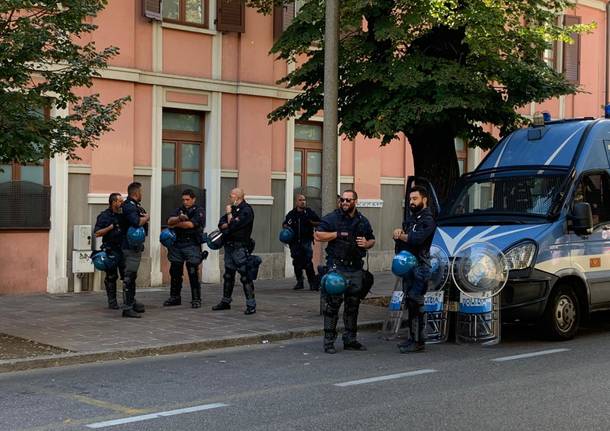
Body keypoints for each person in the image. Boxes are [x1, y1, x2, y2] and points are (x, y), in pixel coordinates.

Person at [315, 190, 375, 354]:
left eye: (348, 200)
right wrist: (336, 234)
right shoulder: (332, 218)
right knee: (333, 304)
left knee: (353, 305)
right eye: (342, 199)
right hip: (338, 266)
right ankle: (329, 342)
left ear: (356, 201)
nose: (345, 202)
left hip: (355, 267)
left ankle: (350, 339)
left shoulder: (362, 220)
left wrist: (366, 243)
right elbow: (318, 235)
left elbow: (372, 239)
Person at [393, 185, 437, 353]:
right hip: (408, 266)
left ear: (424, 199)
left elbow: (417, 239)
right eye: (410, 199)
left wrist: (401, 235)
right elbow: (403, 241)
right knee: (410, 303)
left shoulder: (428, 220)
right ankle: (412, 338)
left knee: (416, 301)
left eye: (415, 199)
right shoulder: (411, 219)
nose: (411, 202)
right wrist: (398, 234)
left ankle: (419, 341)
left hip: (420, 266)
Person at [212, 188, 257, 315]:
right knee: (228, 275)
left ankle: (251, 304)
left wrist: (229, 218)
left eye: (231, 196)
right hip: (229, 246)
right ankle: (226, 301)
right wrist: (227, 223)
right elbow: (221, 224)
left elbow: (233, 225)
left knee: (245, 276)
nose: (230, 198)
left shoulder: (246, 210)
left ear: (238, 197)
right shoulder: (232, 209)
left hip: (240, 247)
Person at [163, 189, 206, 308]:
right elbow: (169, 220)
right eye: (183, 200)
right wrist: (178, 218)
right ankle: (175, 297)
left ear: (193, 199)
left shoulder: (199, 211)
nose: (185, 202)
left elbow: (190, 225)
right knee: (175, 272)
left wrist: (176, 224)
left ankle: (196, 299)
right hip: (177, 245)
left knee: (192, 272)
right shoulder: (179, 210)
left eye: (187, 199)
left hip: (192, 244)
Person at [119, 182, 149, 318]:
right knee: (129, 277)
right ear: (136, 193)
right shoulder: (129, 206)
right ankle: (127, 307)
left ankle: (132, 301)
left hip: (135, 246)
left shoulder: (135, 206)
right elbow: (136, 222)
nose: (142, 194)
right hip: (129, 247)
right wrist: (146, 218)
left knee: (132, 276)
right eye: (141, 192)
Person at [283, 194, 321, 290]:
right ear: (296, 202)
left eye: (304, 200)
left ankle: (312, 283)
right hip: (294, 242)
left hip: (306, 241)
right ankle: (299, 282)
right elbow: (285, 224)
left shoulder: (309, 212)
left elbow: (319, 222)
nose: (303, 202)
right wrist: (286, 228)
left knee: (308, 262)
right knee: (296, 262)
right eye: (300, 200)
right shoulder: (291, 214)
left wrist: (312, 223)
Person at [94, 193, 125, 309]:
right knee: (111, 277)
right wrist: (110, 227)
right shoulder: (104, 216)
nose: (122, 203)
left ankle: (128, 300)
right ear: (113, 202)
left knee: (127, 276)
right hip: (111, 249)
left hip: (123, 249)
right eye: (120, 201)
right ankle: (112, 302)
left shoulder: (124, 215)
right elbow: (97, 233)